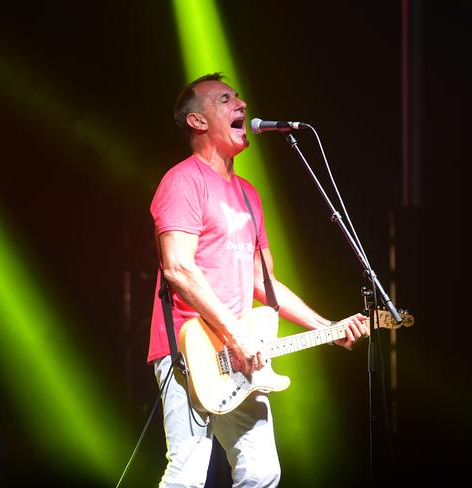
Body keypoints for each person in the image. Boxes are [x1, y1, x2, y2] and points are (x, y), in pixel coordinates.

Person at [147, 72, 368, 487]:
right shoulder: (182, 182)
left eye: (240, 99)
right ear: (197, 122)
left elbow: (264, 284)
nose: (242, 106)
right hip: (187, 345)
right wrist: (234, 335)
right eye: (226, 100)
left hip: (240, 350)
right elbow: (178, 268)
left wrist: (328, 328)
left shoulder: (250, 193)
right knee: (188, 473)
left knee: (262, 470)